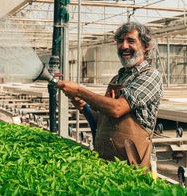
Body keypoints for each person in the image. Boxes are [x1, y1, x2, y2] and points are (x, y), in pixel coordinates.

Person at [56, 22, 163, 168]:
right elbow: (103, 120)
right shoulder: (117, 79)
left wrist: (79, 91)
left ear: (145, 47)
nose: (124, 46)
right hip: (108, 160)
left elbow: (117, 109)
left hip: (134, 163)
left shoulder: (150, 76)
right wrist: (84, 106)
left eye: (131, 41)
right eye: (120, 41)